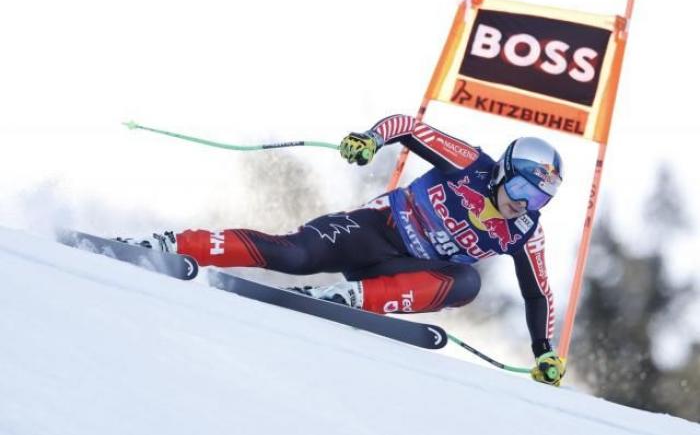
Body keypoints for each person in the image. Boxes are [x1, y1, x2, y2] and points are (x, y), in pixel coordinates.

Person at [125, 114, 566, 386]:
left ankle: (354, 298)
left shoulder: (526, 230)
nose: (525, 203)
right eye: (524, 188)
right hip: (374, 228)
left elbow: (539, 293)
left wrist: (544, 350)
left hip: (404, 272)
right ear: (505, 171)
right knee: (292, 256)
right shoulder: (471, 163)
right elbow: (410, 127)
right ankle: (172, 243)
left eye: (540, 199)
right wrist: (371, 138)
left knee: (467, 281)